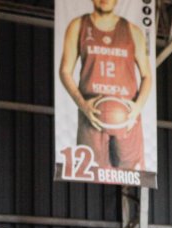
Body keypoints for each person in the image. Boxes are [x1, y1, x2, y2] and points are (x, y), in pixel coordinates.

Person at [59, 0, 152, 171]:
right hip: (92, 115)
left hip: (127, 119)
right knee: (91, 173)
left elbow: (147, 76)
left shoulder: (133, 31)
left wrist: (137, 108)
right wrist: (83, 105)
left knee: (132, 175)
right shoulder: (78, 26)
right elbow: (65, 71)